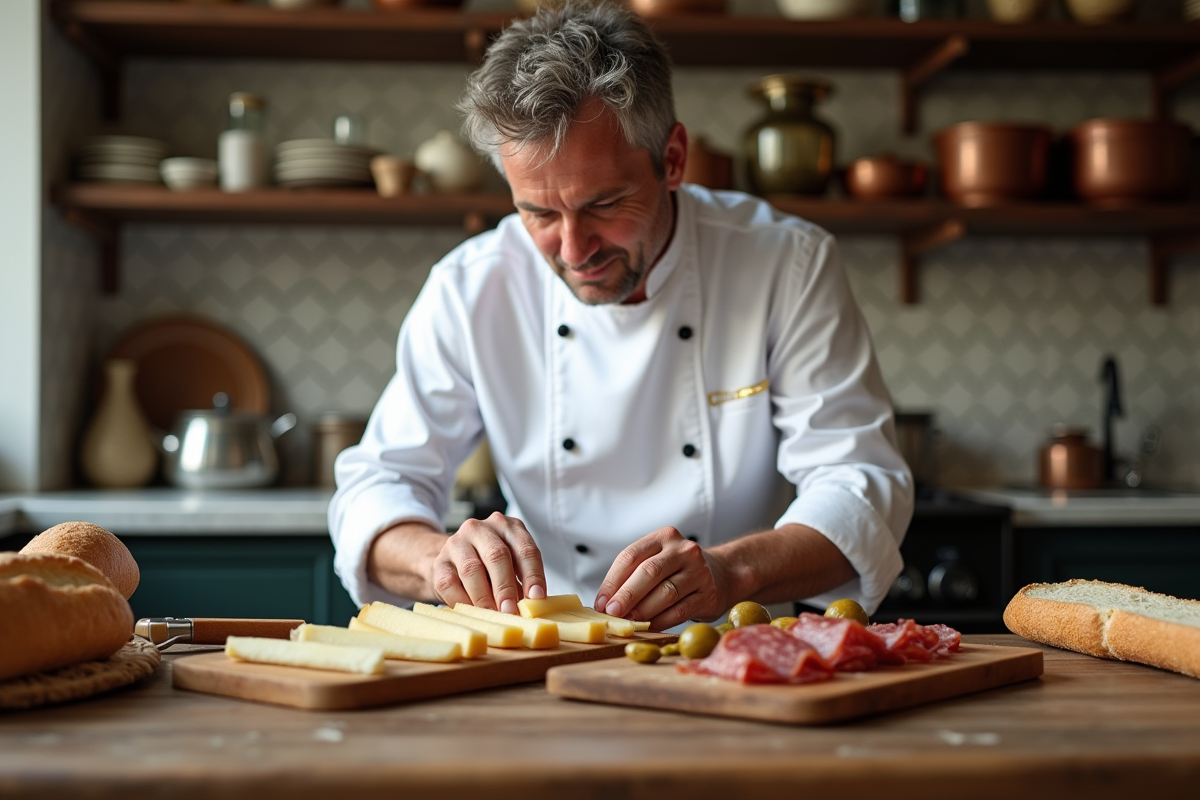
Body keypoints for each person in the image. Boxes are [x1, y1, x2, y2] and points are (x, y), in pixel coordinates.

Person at [329, 1, 913, 631]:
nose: (573, 250)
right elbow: (375, 487)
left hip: (735, 644)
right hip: (548, 648)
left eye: (604, 204)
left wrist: (731, 572)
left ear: (673, 159)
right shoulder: (472, 288)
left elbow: (859, 482)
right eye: (539, 214)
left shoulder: (785, 264)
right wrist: (441, 560)